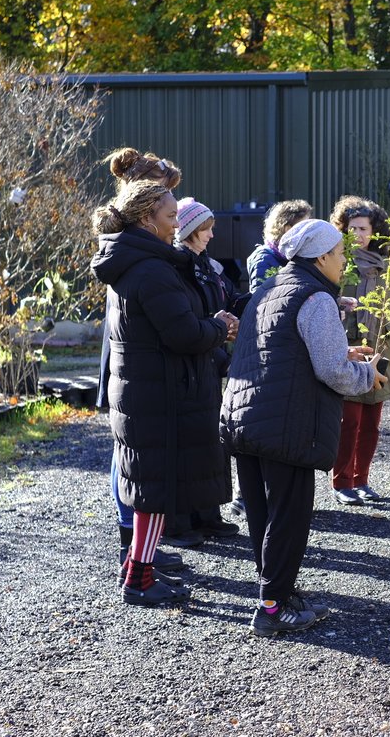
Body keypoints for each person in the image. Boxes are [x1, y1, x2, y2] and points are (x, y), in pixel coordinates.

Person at [221, 218, 386, 636]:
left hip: (248, 418)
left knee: (263, 516)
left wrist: (342, 351)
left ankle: (278, 594)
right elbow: (332, 371)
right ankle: (272, 608)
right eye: (341, 253)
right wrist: (367, 374)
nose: (345, 261)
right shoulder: (315, 297)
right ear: (322, 256)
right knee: (288, 517)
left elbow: (285, 346)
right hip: (286, 424)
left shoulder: (271, 288)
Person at [92, 180, 240, 606]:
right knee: (152, 496)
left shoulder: (137, 261)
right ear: (146, 219)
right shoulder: (151, 269)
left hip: (146, 392)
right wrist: (219, 327)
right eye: (172, 217)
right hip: (155, 395)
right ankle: (138, 581)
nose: (178, 225)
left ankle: (138, 570)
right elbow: (183, 334)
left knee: (150, 492)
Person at [96, 148, 189, 577]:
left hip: (129, 351)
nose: (175, 214)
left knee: (132, 452)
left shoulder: (131, 243)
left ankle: (139, 546)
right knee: (131, 455)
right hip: (130, 355)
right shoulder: (134, 249)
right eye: (168, 201)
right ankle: (130, 544)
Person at [162, 197, 251, 544]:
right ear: (188, 231)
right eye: (206, 229)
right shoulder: (176, 267)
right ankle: (180, 523)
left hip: (209, 362)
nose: (212, 235)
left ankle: (208, 515)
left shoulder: (208, 266)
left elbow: (229, 300)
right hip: (190, 366)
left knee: (210, 443)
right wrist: (218, 327)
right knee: (188, 447)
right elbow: (186, 318)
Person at [232, 198, 313, 519]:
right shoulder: (266, 257)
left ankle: (274, 493)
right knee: (258, 419)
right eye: (301, 225)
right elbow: (265, 298)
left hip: (287, 348)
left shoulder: (293, 258)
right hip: (264, 348)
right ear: (285, 227)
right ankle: (245, 494)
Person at [328, 196, 390, 505]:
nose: (358, 234)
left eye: (364, 229)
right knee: (349, 421)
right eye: (352, 228)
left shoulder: (386, 263)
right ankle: (342, 482)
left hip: (379, 346)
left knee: (371, 422)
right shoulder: (338, 261)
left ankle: (362, 480)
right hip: (349, 347)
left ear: (374, 230)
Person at [246, 199, 314, 291]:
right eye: (303, 227)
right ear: (287, 228)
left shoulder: (301, 255)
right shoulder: (263, 258)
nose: (308, 232)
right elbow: (260, 295)